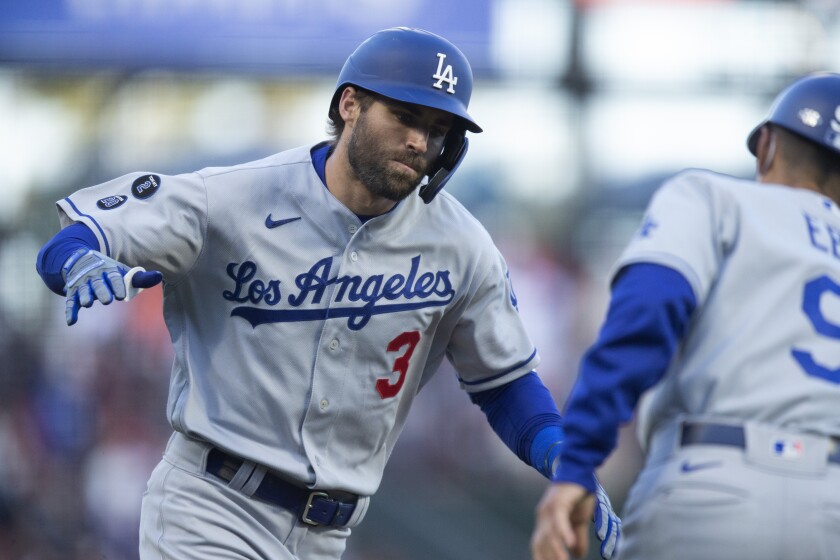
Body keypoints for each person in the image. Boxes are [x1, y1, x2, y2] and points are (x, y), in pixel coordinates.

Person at [35, 27, 619, 560]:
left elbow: (506, 385)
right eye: (405, 115)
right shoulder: (233, 198)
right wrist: (77, 260)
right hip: (209, 509)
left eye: (438, 130)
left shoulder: (462, 245)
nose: (420, 141)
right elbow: (79, 235)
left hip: (329, 536)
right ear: (350, 104)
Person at [530, 71, 840, 560]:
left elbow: (644, 316)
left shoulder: (714, 198)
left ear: (767, 147)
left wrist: (578, 462)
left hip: (714, 488)